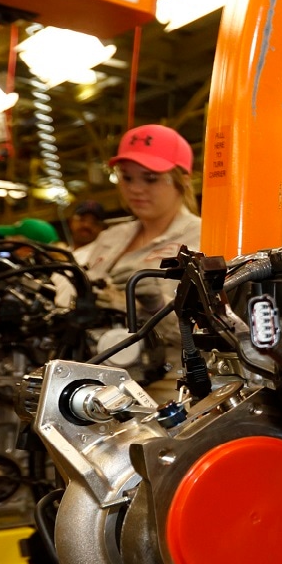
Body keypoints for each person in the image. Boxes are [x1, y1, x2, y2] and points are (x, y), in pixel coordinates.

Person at [74, 125, 202, 386]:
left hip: (168, 383)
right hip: (97, 376)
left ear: (182, 180)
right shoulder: (110, 238)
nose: (136, 189)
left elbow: (214, 328)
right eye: (127, 178)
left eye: (151, 178)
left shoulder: (201, 237)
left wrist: (156, 306)